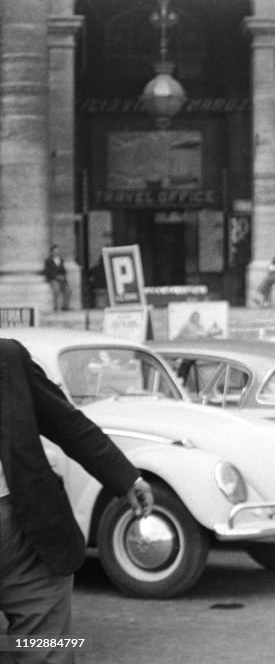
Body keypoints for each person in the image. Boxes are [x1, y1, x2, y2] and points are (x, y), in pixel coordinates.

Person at [0, 338, 153, 664]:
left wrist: (125, 477)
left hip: (28, 532)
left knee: (44, 651)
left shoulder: (7, 357)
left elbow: (65, 422)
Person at [43, 245, 71, 312]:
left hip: (62, 279)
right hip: (53, 279)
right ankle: (56, 307)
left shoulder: (61, 260)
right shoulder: (48, 261)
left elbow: (64, 270)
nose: (56, 253)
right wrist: (56, 276)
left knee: (68, 290)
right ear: (51, 252)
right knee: (56, 289)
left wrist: (63, 276)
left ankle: (65, 306)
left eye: (57, 251)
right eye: (54, 251)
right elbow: (48, 271)